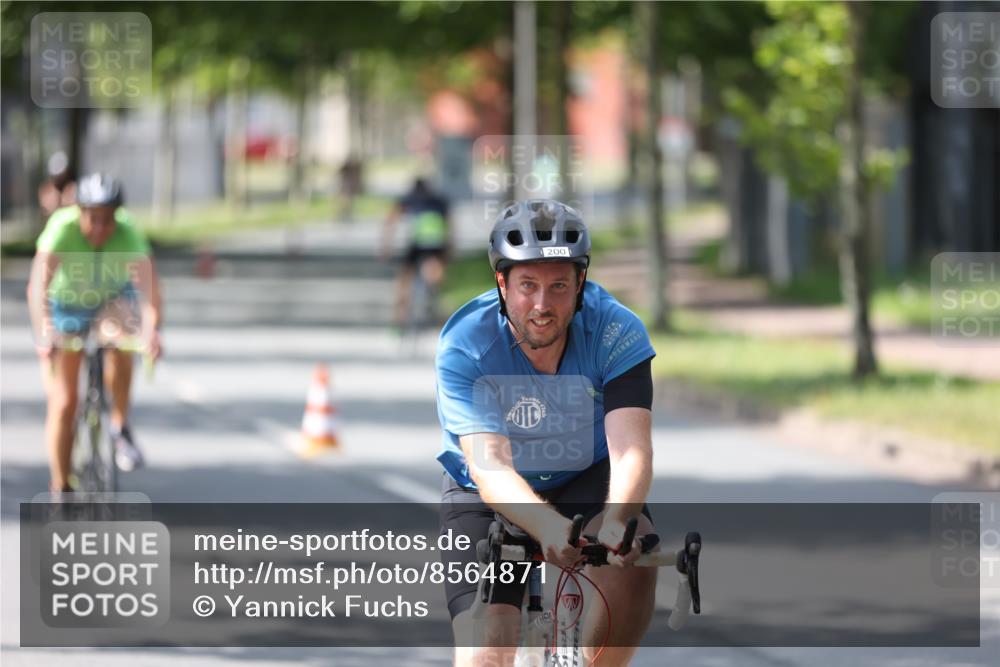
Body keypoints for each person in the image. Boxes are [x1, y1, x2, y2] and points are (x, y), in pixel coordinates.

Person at [435, 200, 657, 666]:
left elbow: (631, 450)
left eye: (558, 286)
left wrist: (618, 520)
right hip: (487, 491)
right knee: (486, 648)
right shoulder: (467, 344)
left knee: (633, 566)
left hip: (585, 473)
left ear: (580, 284)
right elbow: (490, 466)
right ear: (502, 283)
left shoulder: (615, 332)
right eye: (527, 286)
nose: (542, 305)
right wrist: (549, 527)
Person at [27, 173, 164, 493]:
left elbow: (151, 291)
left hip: (109, 302)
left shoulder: (129, 233)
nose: (101, 228)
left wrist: (152, 330)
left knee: (125, 340)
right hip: (66, 307)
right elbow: (38, 288)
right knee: (64, 402)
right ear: (80, 213)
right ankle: (61, 488)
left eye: (108, 220)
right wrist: (44, 332)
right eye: (93, 219)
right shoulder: (62, 230)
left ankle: (120, 426)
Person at [380, 177, 451, 329]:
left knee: (404, 282)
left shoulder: (409, 199)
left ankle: (398, 321)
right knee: (437, 283)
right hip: (436, 246)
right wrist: (449, 250)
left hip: (417, 246)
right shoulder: (439, 202)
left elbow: (390, 221)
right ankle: (442, 321)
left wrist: (386, 247)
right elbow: (450, 226)